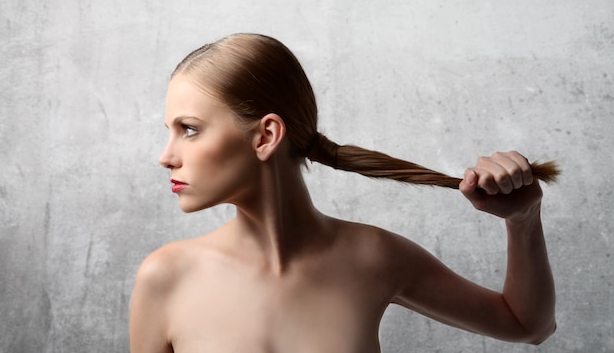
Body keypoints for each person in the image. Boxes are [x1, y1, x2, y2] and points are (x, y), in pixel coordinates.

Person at [129, 33, 557, 353]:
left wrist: (523, 220)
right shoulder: (165, 277)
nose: (166, 156)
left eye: (188, 130)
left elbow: (526, 325)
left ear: (266, 136)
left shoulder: (373, 257)